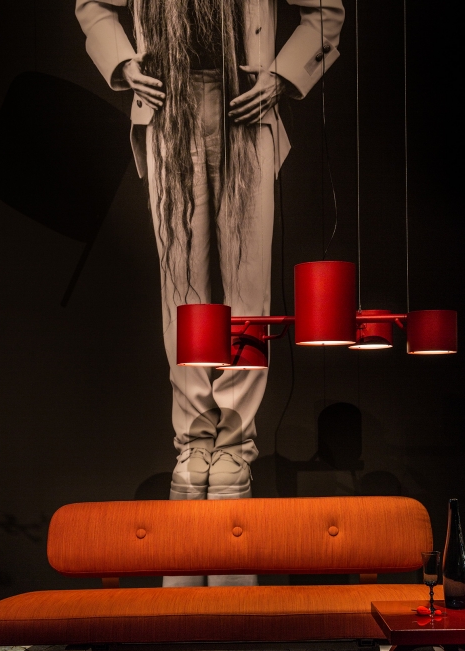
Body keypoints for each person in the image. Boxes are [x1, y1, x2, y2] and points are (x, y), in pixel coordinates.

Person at [75, 0, 344, 585]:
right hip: (168, 109)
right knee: (184, 291)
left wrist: (281, 76)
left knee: (247, 291)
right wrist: (123, 64)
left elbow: (326, 9)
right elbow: (92, 5)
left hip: (243, 105)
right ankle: (195, 439)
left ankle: (234, 443)